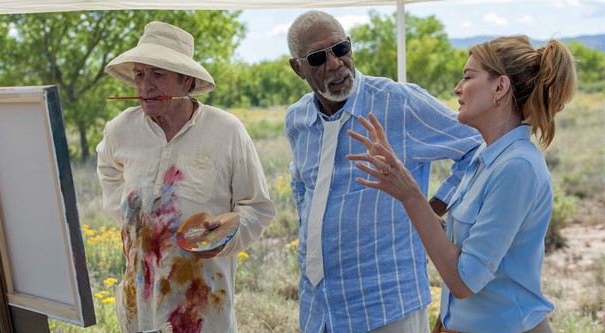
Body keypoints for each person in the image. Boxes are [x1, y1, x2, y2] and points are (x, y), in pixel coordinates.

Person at [347, 35, 577, 333]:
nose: (458, 88)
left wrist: (411, 195)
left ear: (500, 87)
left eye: (468, 76)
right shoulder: (487, 155)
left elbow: (464, 280)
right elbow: (459, 246)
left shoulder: (517, 167)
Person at [285, 10, 483, 333]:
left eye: (340, 49)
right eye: (318, 57)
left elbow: (477, 146)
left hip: (386, 306)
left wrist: (431, 208)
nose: (335, 63)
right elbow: (302, 188)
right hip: (318, 308)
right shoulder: (297, 120)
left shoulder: (398, 103)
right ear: (298, 68)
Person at [96, 21, 275, 333]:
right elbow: (109, 175)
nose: (144, 86)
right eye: (139, 74)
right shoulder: (119, 130)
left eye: (158, 74)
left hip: (203, 309)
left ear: (186, 81)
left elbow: (257, 207)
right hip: (137, 307)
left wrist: (227, 235)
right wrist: (135, 216)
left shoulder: (227, 131)